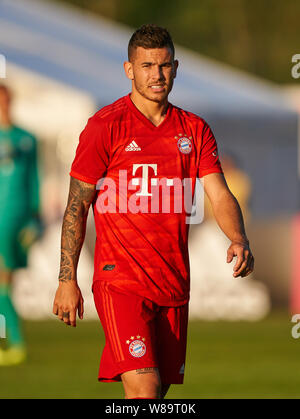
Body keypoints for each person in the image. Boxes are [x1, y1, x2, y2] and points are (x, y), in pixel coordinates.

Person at [52, 24, 254, 399]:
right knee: (145, 390)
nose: (156, 75)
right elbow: (76, 207)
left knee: (156, 396)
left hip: (173, 282)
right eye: (146, 66)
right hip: (120, 282)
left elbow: (219, 194)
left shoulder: (193, 130)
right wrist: (67, 279)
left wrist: (238, 238)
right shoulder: (105, 127)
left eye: (163, 66)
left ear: (175, 67)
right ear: (129, 70)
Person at [0, 84, 41, 366]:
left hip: (13, 218)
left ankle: (16, 343)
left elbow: (34, 180)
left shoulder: (26, 138)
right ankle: (14, 342)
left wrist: (35, 218)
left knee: (4, 280)